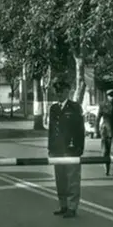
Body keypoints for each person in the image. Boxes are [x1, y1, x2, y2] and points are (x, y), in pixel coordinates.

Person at [48, 79, 84, 218]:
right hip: (57, 150)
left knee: (72, 179)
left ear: (67, 92)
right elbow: (51, 130)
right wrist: (50, 148)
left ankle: (72, 206)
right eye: (57, 91)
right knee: (60, 179)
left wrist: (79, 149)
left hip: (71, 149)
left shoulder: (75, 108)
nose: (58, 94)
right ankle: (63, 205)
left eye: (61, 91)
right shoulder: (54, 108)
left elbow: (80, 130)